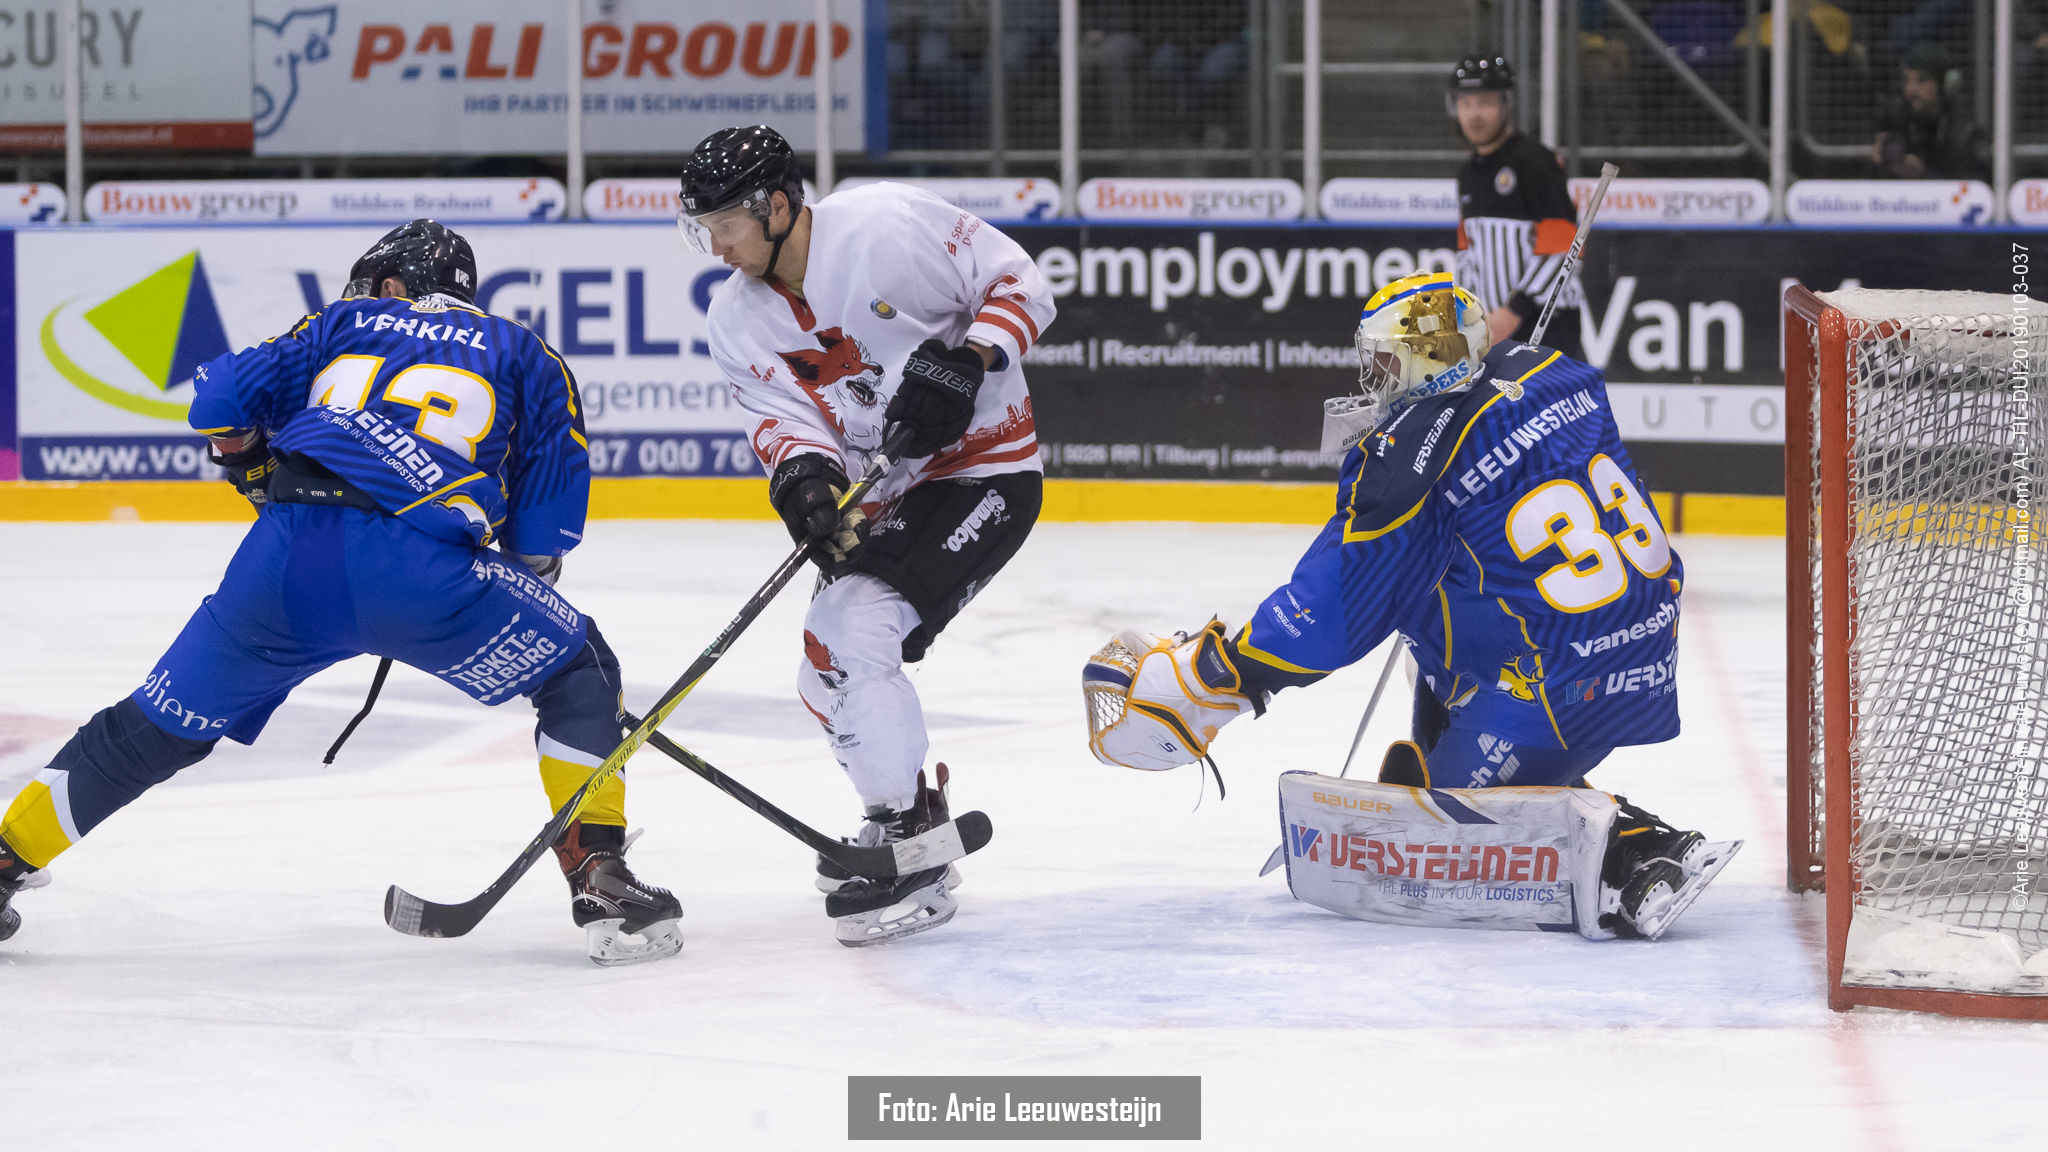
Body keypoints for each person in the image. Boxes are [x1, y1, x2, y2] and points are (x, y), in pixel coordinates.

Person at [0, 221, 682, 966]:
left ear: (391, 284)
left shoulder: (340, 323)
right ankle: (599, 875)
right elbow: (543, 536)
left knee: (156, 725)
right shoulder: (526, 351)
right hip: (426, 575)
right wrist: (512, 592)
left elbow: (218, 401)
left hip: (282, 565)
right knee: (578, 669)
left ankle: (7, 857)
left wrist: (253, 464)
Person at [1082, 272, 1734, 941]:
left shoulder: (1408, 459)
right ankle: (1482, 756)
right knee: (1440, 599)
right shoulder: (1557, 374)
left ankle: (1628, 849)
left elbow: (1336, 609)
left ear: (1429, 358)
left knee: (1442, 847)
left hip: (1559, 690)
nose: (1376, 379)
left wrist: (1223, 674)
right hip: (1645, 645)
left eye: (1387, 361)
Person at [679, 126, 1054, 947]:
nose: (716, 245)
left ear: (776, 206)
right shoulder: (735, 320)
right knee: (824, 675)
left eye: (726, 224)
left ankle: (911, 842)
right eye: (703, 226)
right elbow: (784, 424)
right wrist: (805, 485)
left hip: (985, 471)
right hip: (889, 490)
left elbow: (1021, 283)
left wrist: (973, 359)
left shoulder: (884, 224)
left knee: (852, 626)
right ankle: (902, 817)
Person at [1449, 54, 1587, 362]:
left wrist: (1514, 311)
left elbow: (1565, 248)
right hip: (1496, 334)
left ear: (1505, 104)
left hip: (1549, 326)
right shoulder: (1468, 175)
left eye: (1484, 102)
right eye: (1465, 103)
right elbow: (1468, 253)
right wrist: (1471, 317)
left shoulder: (1535, 162)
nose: (1474, 114)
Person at [1872, 42, 1990, 181]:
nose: (1911, 90)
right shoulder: (1897, 119)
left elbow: (1972, 188)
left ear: (1945, 84)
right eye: (1906, 81)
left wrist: (1923, 175)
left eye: (1921, 80)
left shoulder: (1964, 130)